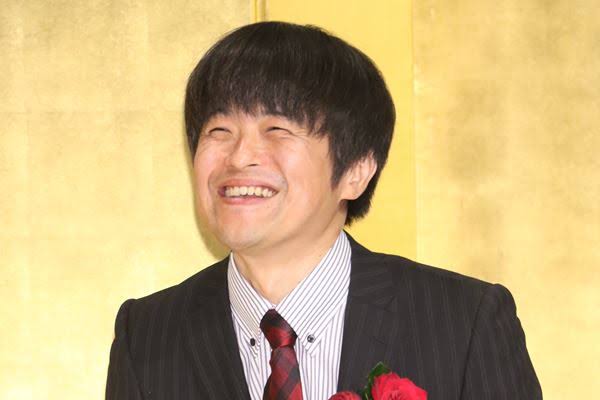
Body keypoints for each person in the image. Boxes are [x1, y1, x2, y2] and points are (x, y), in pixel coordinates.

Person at [106, 21, 542, 400]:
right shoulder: (146, 335)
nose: (240, 156)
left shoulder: (462, 322)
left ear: (356, 171)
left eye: (277, 128)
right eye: (219, 130)